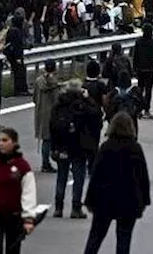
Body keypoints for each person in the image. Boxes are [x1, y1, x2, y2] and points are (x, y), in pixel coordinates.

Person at [82, 112, 150, 254]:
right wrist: (144, 201)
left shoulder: (106, 147)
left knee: (95, 237)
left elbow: (95, 176)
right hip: (129, 200)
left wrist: (90, 200)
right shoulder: (135, 148)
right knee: (124, 240)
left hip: (105, 200)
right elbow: (143, 177)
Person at [0, 127, 39, 254]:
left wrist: (28, 219)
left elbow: (28, 194)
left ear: (14, 143)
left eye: (5, 140)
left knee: (13, 250)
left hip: (14, 216)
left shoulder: (22, 166)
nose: (1, 143)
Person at [50, 79, 103, 218]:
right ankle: (76, 207)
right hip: (79, 146)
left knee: (61, 175)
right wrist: (88, 99)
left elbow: (53, 126)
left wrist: (54, 146)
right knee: (78, 177)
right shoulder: (82, 105)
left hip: (62, 145)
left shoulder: (59, 104)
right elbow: (97, 114)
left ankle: (58, 207)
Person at [31, 58, 62, 173]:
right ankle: (50, 162)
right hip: (53, 113)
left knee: (45, 139)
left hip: (41, 113)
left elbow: (34, 98)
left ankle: (45, 162)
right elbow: (58, 99)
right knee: (53, 139)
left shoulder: (38, 81)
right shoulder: (55, 83)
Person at [132, 24, 153, 117]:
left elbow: (135, 56)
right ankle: (147, 110)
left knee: (140, 89)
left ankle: (139, 109)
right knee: (148, 90)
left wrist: (134, 68)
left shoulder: (138, 42)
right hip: (150, 69)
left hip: (140, 69)